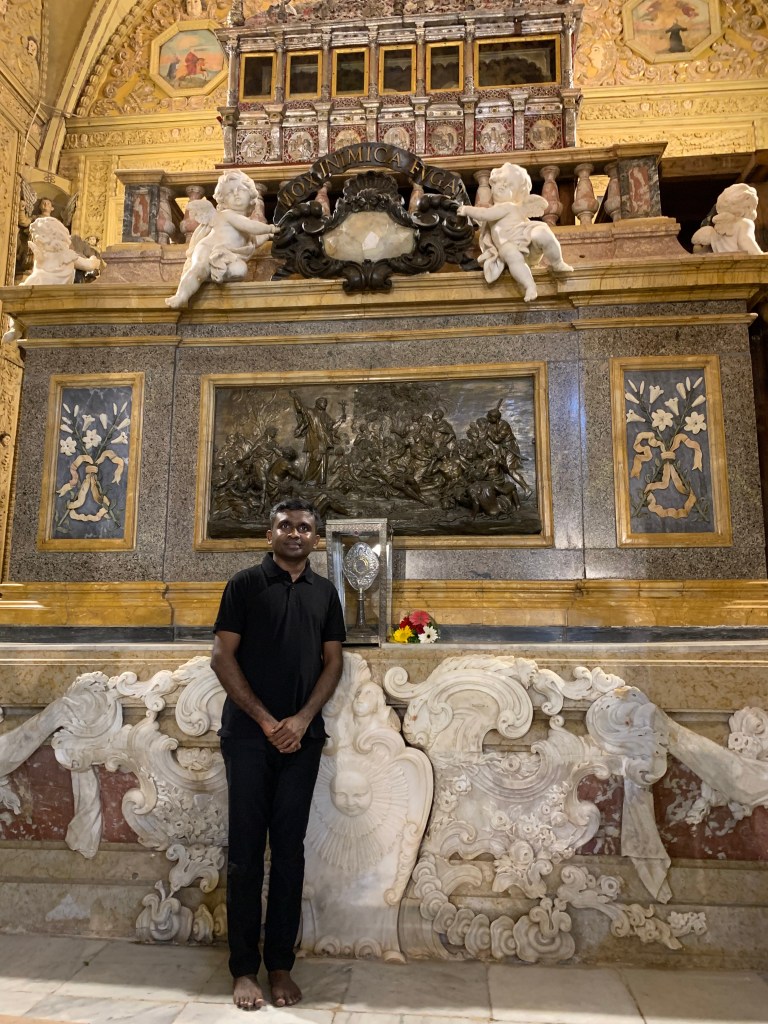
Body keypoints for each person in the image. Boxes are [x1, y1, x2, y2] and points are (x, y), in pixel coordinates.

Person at [210, 497, 346, 1011]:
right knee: (246, 854)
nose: (295, 533)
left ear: (316, 539)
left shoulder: (325, 593)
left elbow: (333, 663)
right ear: (269, 535)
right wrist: (267, 722)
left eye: (305, 527)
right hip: (248, 738)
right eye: (285, 526)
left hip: (302, 741)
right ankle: (244, 969)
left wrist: (303, 719)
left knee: (289, 854)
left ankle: (281, 965)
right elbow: (221, 657)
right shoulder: (244, 585)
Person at [458, 162, 572, 302]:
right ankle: (529, 285)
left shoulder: (508, 206)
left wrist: (466, 209)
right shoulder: (498, 208)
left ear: (518, 195)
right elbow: (484, 215)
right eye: (500, 182)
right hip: (510, 247)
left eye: (509, 186)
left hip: (524, 237)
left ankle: (557, 262)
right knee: (511, 253)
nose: (502, 186)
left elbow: (483, 214)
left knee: (542, 232)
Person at [165, 170, 276, 308]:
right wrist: (270, 229)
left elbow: (254, 242)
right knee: (198, 268)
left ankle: (211, 274)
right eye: (229, 192)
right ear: (223, 201)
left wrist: (268, 236)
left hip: (226, 256)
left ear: (251, 196)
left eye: (241, 189)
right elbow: (252, 226)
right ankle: (181, 296)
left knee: (240, 270)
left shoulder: (246, 230)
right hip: (208, 248)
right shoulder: (228, 215)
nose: (236, 193)